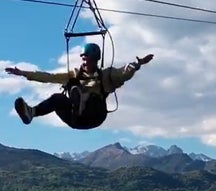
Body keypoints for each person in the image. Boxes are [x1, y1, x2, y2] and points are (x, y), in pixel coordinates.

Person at [5, 43, 154, 130]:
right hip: (76, 119)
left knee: (80, 92)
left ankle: (81, 101)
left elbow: (124, 73)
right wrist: (23, 73)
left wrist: (137, 64)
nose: (83, 61)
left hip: (95, 115)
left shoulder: (106, 76)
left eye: (87, 58)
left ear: (95, 59)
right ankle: (32, 112)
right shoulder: (74, 75)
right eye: (82, 57)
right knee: (59, 97)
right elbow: (50, 77)